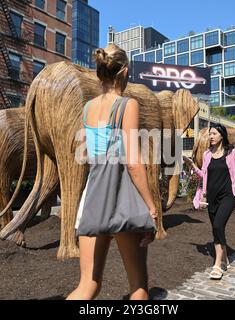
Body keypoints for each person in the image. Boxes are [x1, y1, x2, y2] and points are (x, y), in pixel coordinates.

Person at [66, 44, 157, 300]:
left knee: (88, 285)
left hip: (93, 198)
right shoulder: (128, 105)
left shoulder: (88, 108)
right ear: (125, 71)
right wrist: (151, 207)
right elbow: (132, 163)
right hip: (121, 198)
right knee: (138, 285)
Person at [184, 124, 235, 280]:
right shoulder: (207, 154)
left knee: (218, 225)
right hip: (212, 197)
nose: (211, 136)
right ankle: (224, 259)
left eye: (214, 133)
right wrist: (193, 166)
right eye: (210, 134)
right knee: (217, 229)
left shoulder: (232, 153)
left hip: (228, 196)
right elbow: (204, 175)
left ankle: (217, 265)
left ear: (222, 135)